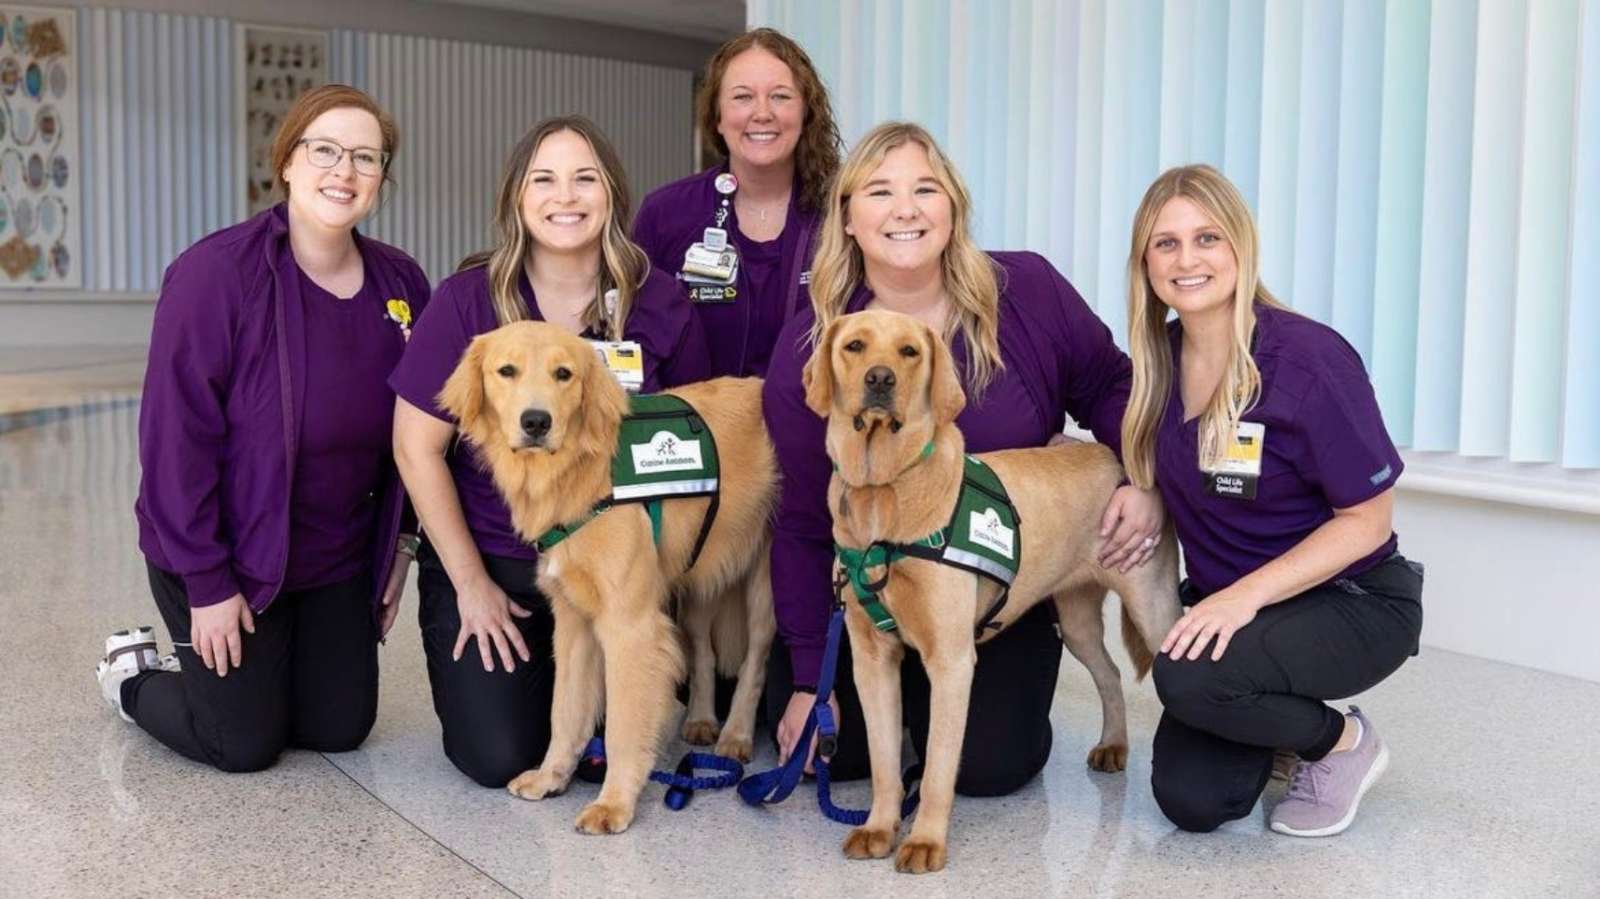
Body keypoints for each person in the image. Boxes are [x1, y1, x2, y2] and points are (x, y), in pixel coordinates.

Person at [761, 122, 1164, 795]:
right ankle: (902, 713)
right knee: (835, 754)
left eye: (926, 188)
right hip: (868, 585)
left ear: (954, 207)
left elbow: (1111, 385)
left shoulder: (1027, 289)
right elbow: (802, 519)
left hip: (992, 585)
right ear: (849, 218)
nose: (906, 208)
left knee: (992, 768)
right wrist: (808, 678)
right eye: (880, 191)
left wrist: (1140, 477)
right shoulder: (819, 340)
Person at [97, 85, 430, 772]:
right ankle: (132, 676)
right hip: (229, 553)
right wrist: (208, 586)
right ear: (286, 161)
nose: (344, 172)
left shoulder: (400, 283)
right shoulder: (215, 275)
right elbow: (173, 444)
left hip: (334, 557)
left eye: (365, 158)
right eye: (326, 151)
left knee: (339, 728)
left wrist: (401, 543)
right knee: (242, 743)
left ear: (381, 180)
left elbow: (422, 430)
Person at [389, 116, 711, 787]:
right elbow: (415, 449)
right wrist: (470, 584)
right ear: (516, 197)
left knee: (601, 752)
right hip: (494, 565)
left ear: (612, 196)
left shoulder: (659, 301)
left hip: (612, 565)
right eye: (545, 179)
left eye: (584, 178)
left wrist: (652, 587)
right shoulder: (467, 302)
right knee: (500, 756)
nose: (566, 196)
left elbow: (691, 445)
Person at [1121, 164, 1424, 836]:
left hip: (1353, 599)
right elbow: (1163, 460)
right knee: (1193, 800)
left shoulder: (1308, 359)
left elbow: (1369, 520)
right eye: (1164, 243)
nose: (1187, 258)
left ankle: (1341, 741)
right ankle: (1268, 703)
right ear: (1144, 263)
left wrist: (1242, 596)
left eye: (1207, 237)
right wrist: (1140, 487)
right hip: (1245, 613)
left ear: (1240, 246)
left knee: (1186, 676)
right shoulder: (1158, 364)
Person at [633, 27, 842, 378]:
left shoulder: (842, 215)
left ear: (806, 113)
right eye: (743, 97)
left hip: (811, 429)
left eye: (780, 96)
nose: (762, 113)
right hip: (695, 428)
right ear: (717, 116)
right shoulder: (665, 214)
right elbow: (635, 340)